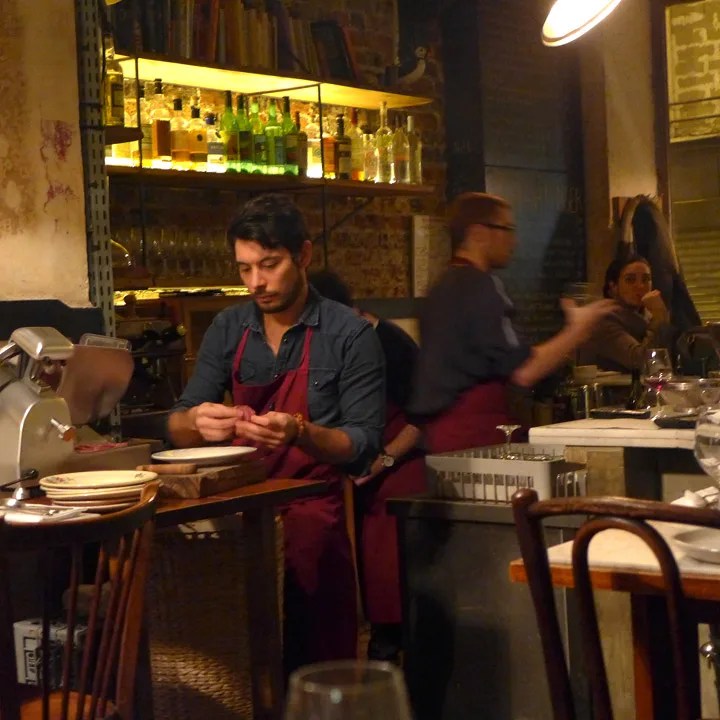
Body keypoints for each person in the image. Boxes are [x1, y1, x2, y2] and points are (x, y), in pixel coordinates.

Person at [167, 193, 386, 674]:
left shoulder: (350, 335)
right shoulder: (228, 328)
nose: (256, 283)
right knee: (240, 663)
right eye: (244, 269)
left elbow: (362, 445)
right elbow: (177, 425)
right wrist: (198, 421)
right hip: (241, 512)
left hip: (312, 516)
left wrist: (300, 432)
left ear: (303, 255)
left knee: (317, 663)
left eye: (269, 265)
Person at [409, 192, 616, 454]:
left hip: (440, 437)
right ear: (477, 233)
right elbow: (524, 371)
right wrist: (578, 329)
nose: (514, 241)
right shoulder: (480, 286)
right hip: (474, 437)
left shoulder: (441, 287)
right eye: (507, 229)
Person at [309, 269, 426, 664]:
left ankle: (389, 662)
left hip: (398, 472)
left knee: (389, 581)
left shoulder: (391, 343)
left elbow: (421, 420)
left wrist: (383, 459)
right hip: (356, 475)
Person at [576, 254, 673, 372]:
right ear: (613, 287)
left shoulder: (647, 315)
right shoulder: (604, 319)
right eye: (630, 280)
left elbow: (667, 361)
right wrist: (658, 319)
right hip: (607, 384)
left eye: (646, 279)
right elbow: (641, 362)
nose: (640, 286)